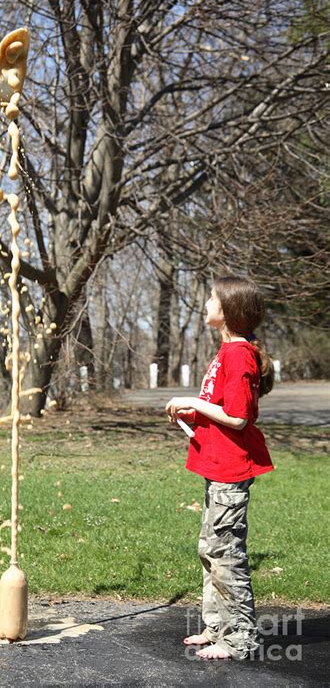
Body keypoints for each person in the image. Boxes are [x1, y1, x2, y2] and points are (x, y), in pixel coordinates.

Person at [165, 275, 275, 660]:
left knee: (226, 552)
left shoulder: (239, 354)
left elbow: (238, 416)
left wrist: (191, 400)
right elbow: (221, 412)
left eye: (212, 298)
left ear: (229, 310)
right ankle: (217, 628)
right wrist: (191, 415)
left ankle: (239, 639)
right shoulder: (226, 352)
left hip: (231, 470)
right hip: (217, 464)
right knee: (211, 548)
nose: (206, 303)